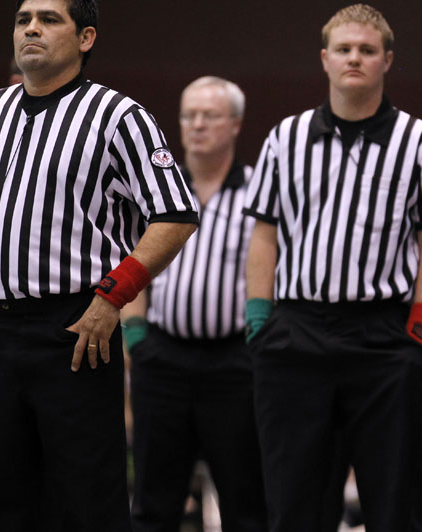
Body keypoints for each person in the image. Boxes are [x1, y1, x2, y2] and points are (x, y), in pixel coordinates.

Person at [0, 0, 198, 532]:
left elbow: (175, 214)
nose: (31, 28)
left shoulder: (118, 115)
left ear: (85, 38)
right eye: (23, 19)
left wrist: (114, 297)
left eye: (49, 19)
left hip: (77, 327)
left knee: (87, 500)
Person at [243, 3, 422, 532]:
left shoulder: (421, 142)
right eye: (344, 49)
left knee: (394, 496)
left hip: (383, 338)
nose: (354, 59)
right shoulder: (285, 137)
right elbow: (264, 232)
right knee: (294, 496)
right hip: (296, 334)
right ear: (324, 59)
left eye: (367, 50)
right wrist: (258, 319)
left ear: (388, 60)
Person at [123, 76, 266, 532]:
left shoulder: (258, 192)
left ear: (236, 124)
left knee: (246, 501)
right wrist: (137, 339)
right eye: (189, 115)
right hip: (162, 359)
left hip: (233, 363)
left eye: (210, 115)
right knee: (153, 501)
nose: (197, 124)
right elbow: (128, 258)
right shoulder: (157, 191)